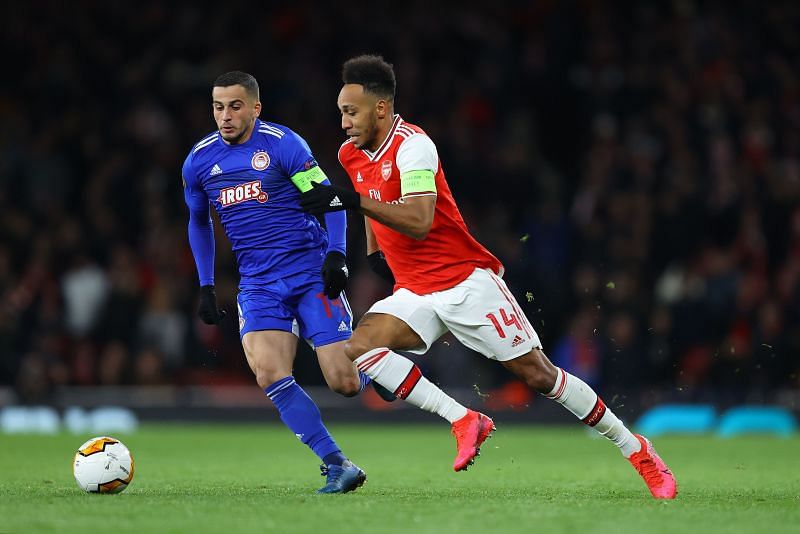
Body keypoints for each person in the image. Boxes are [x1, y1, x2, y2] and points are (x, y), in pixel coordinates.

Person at [300, 55, 678, 499]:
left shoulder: (414, 146)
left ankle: (638, 450)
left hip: (465, 282)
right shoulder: (351, 153)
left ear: (381, 108)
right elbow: (367, 198)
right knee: (360, 348)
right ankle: (464, 419)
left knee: (539, 375)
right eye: (341, 112)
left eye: (351, 111)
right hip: (416, 289)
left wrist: (351, 203)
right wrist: (374, 252)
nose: (343, 122)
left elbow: (419, 220)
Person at [182, 71, 369, 494]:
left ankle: (380, 366)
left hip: (309, 274)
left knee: (345, 383)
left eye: (234, 106)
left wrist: (337, 255)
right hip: (259, 284)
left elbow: (329, 200)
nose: (225, 116)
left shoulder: (283, 145)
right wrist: (207, 284)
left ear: (254, 107)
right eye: (217, 107)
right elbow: (198, 222)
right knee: (269, 372)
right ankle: (336, 462)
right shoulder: (200, 161)